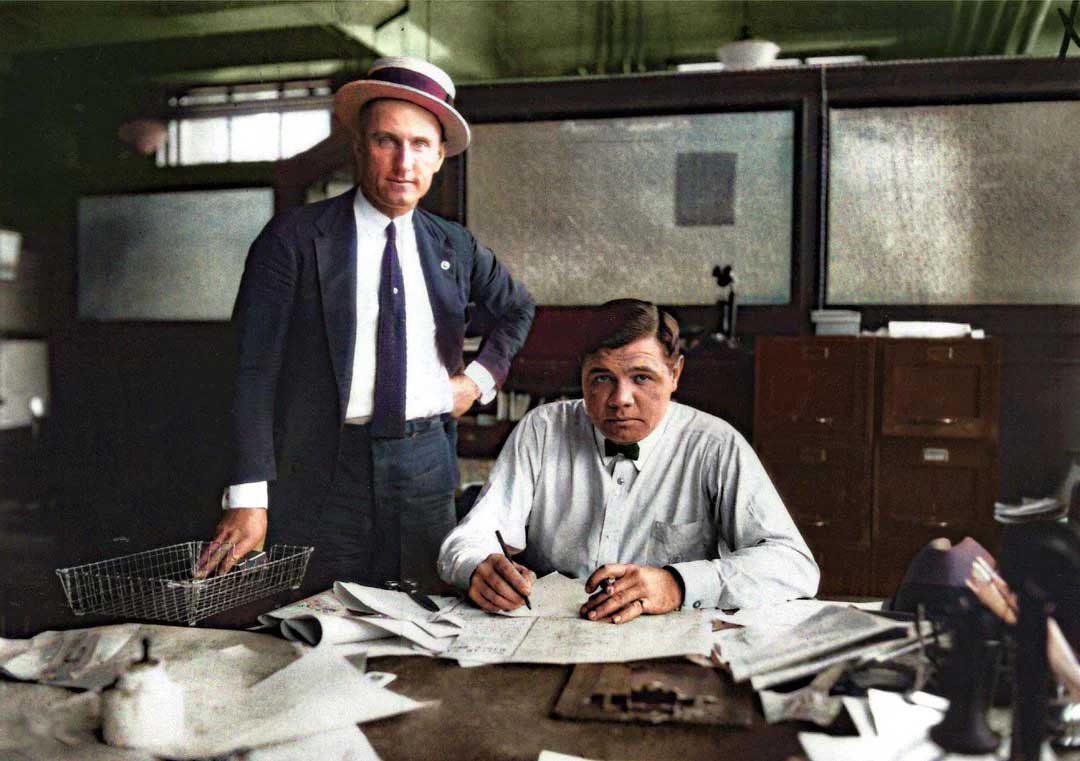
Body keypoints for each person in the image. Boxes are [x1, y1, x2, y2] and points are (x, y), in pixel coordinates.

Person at [200, 57, 534, 591]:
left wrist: (479, 380)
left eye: (420, 145)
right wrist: (247, 498)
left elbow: (518, 309)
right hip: (320, 469)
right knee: (310, 620)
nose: (404, 163)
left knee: (428, 617)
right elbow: (251, 373)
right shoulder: (293, 240)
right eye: (387, 142)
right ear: (359, 147)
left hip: (426, 468)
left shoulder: (455, 245)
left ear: (440, 156)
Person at [438, 299, 818, 622]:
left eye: (641, 378)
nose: (620, 399)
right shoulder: (542, 429)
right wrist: (477, 566)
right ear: (581, 375)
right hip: (550, 632)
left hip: (669, 641)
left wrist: (678, 584)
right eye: (601, 378)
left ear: (674, 374)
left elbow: (794, 566)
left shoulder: (714, 445)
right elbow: (472, 535)